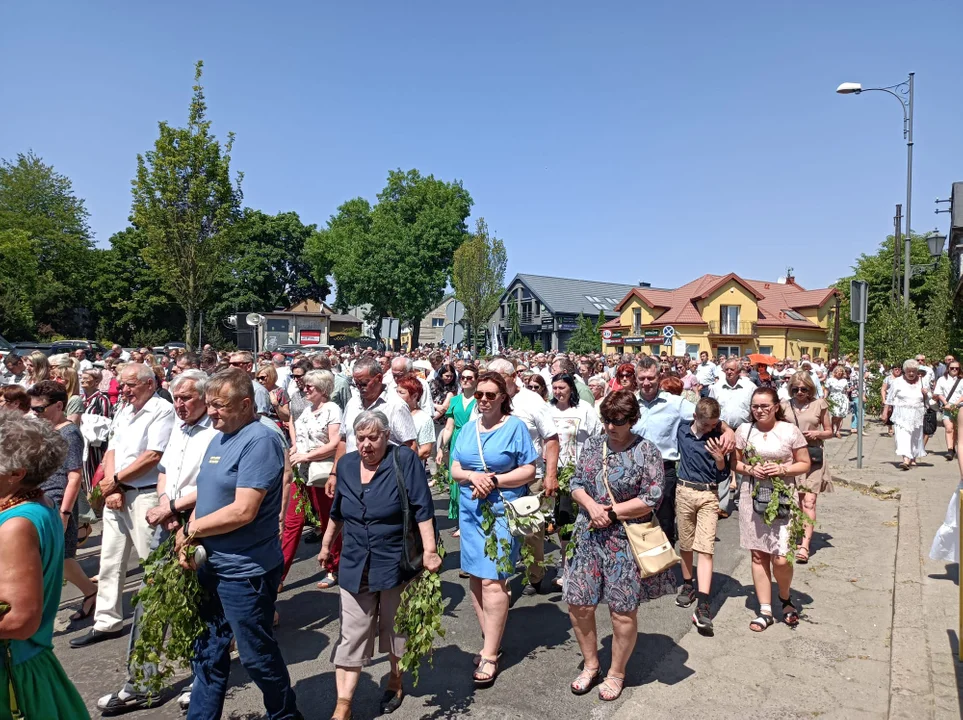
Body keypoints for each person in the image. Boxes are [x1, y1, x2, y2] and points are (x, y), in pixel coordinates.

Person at [174, 368, 301, 720]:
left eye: (220, 405)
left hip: (246, 570)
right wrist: (189, 533)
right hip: (211, 563)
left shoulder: (261, 439)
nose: (211, 412)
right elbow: (208, 491)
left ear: (246, 404)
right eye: (209, 404)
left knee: (255, 655)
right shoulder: (219, 437)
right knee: (208, 650)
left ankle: (285, 714)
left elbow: (244, 510)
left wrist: (194, 529)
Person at [96, 369, 217, 714]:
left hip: (198, 526)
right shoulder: (180, 429)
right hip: (170, 521)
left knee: (197, 606)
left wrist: (179, 515)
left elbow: (214, 484)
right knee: (150, 602)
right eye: (176, 398)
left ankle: (201, 680)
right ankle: (141, 684)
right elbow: (164, 471)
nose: (179, 405)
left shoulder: (216, 434)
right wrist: (166, 507)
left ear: (205, 398)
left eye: (187, 398)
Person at [319, 411, 441, 719]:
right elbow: (338, 511)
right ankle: (342, 707)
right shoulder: (346, 465)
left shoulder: (403, 460)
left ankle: (395, 679)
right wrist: (325, 545)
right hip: (354, 562)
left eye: (373, 438)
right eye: (360, 438)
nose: (366, 445)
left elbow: (422, 508)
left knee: (394, 630)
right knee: (352, 633)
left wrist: (429, 551)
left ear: (386, 436)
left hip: (395, 561)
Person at [564, 389, 675, 701]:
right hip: (587, 537)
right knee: (579, 603)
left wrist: (611, 512)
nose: (611, 426)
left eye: (618, 420)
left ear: (632, 419)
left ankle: (616, 672)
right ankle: (591, 664)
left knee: (622, 610)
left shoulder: (647, 451)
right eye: (607, 419)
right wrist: (591, 505)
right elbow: (575, 483)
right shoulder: (591, 445)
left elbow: (653, 496)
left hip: (625, 541)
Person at [70, 362, 175, 648]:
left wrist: (115, 481)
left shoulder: (162, 410)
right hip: (119, 492)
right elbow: (111, 449)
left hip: (145, 494)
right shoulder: (124, 410)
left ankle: (165, 620)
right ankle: (106, 621)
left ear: (149, 384)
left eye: (130, 385)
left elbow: (153, 455)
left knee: (151, 562)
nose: (124, 390)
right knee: (110, 560)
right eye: (122, 385)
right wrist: (112, 484)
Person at [0, 411, 90, 718]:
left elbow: (20, 621)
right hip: (28, 663)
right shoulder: (40, 503)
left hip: (11, 676)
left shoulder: (17, 525)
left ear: (17, 473)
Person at [451, 371, 537, 687]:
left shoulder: (515, 427)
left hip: (502, 510)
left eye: (490, 395)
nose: (484, 400)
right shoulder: (469, 429)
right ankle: (492, 640)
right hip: (471, 511)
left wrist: (495, 480)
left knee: (493, 580)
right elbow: (455, 467)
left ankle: (489, 655)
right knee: (475, 575)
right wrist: (473, 477)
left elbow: (529, 469)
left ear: (503, 397)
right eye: (480, 395)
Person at [732, 387, 811, 631]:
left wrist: (783, 470)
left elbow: (805, 463)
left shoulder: (789, 431)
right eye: (755, 406)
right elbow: (735, 462)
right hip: (752, 497)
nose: (759, 411)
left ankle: (785, 598)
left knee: (780, 557)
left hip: (783, 497)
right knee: (758, 554)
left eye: (765, 406)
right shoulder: (744, 430)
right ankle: (765, 610)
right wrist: (750, 469)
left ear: (776, 406)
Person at [484, 358, 560, 597]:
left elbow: (551, 438)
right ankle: (499, 580)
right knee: (499, 528)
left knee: (530, 530)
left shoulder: (531, 401)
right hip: (499, 477)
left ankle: (534, 575)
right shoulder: (489, 401)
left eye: (500, 378)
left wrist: (551, 475)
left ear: (513, 377)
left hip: (531, 475)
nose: (494, 383)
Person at [26, 382, 99, 624]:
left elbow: (75, 475)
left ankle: (88, 593)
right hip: (41, 499)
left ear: (59, 405)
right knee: (61, 559)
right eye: (32, 408)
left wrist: (65, 513)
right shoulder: (48, 429)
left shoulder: (69, 433)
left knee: (59, 558)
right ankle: (90, 592)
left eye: (39, 409)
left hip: (58, 503)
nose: (35, 413)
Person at [674, 397, 730, 635]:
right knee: (685, 543)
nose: (710, 429)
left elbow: (722, 474)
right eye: (706, 425)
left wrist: (720, 459)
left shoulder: (717, 436)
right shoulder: (682, 431)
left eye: (714, 425)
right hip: (684, 490)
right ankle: (688, 585)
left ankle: (703, 605)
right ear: (695, 417)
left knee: (705, 548)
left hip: (708, 495)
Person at [283, 370, 342, 590]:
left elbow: (336, 442)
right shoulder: (308, 410)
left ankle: (333, 567)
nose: (305, 389)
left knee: (329, 521)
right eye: (305, 386)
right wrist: (296, 449)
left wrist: (307, 455)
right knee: (292, 522)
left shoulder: (332, 410)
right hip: (302, 472)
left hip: (321, 473)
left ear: (323, 390)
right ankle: (279, 574)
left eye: (311, 387)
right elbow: (299, 435)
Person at [549, 373, 602, 586]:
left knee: (577, 520)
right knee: (561, 521)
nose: (558, 392)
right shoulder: (548, 410)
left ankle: (580, 567)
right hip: (554, 471)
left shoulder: (584, 411)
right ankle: (566, 567)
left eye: (562, 388)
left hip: (578, 471)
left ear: (571, 388)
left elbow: (598, 438)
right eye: (555, 388)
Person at [780, 372, 832, 564]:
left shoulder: (820, 404)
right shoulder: (784, 406)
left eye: (804, 389)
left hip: (812, 458)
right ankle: (791, 535)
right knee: (794, 502)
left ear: (810, 388)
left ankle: (804, 545)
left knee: (808, 502)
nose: (800, 392)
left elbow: (830, 432)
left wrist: (817, 433)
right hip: (790, 458)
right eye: (796, 389)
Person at [436, 364, 478, 540]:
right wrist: (441, 448)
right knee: (456, 481)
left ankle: (472, 519)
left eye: (470, 378)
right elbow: (449, 427)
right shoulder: (454, 401)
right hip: (457, 439)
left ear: (476, 380)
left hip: (474, 440)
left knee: (472, 480)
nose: (466, 380)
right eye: (463, 378)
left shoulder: (480, 400)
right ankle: (462, 522)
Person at [889, 359, 929, 470]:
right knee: (903, 436)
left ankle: (913, 458)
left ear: (917, 371)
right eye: (909, 371)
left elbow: (929, 398)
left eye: (913, 371)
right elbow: (890, 398)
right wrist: (885, 411)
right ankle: (905, 459)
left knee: (915, 436)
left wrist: (926, 394)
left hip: (917, 413)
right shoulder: (897, 382)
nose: (911, 373)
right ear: (904, 371)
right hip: (901, 413)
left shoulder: (922, 381)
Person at [395, 374, 436, 464]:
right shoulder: (392, 413)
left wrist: (402, 463)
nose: (396, 396)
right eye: (396, 391)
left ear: (414, 396)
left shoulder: (424, 419)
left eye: (401, 393)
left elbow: (425, 451)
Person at [935, 359, 963, 462]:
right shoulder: (942, 379)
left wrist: (956, 404)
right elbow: (938, 392)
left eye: (957, 368)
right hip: (947, 407)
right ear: (948, 369)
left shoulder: (962, 380)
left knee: (957, 429)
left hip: (960, 407)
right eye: (952, 368)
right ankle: (950, 450)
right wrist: (946, 403)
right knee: (949, 428)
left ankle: (956, 447)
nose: (954, 370)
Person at [825, 366, 850, 438]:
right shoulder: (830, 380)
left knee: (841, 415)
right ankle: (833, 429)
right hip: (833, 397)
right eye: (838, 371)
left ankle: (838, 431)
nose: (839, 373)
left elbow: (846, 390)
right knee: (835, 414)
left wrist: (849, 390)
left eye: (841, 371)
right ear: (835, 372)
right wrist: (825, 397)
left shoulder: (844, 380)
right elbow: (826, 389)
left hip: (842, 398)